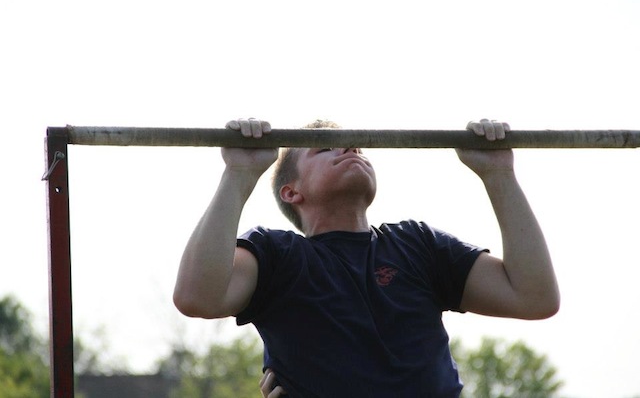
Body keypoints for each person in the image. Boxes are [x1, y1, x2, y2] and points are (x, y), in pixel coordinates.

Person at [173, 118, 560, 398]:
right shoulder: (277, 255)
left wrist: (499, 175)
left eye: (357, 145)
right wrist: (239, 174)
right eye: (327, 147)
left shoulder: (418, 243)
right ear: (292, 192)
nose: (351, 148)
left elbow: (534, 297)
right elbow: (197, 296)